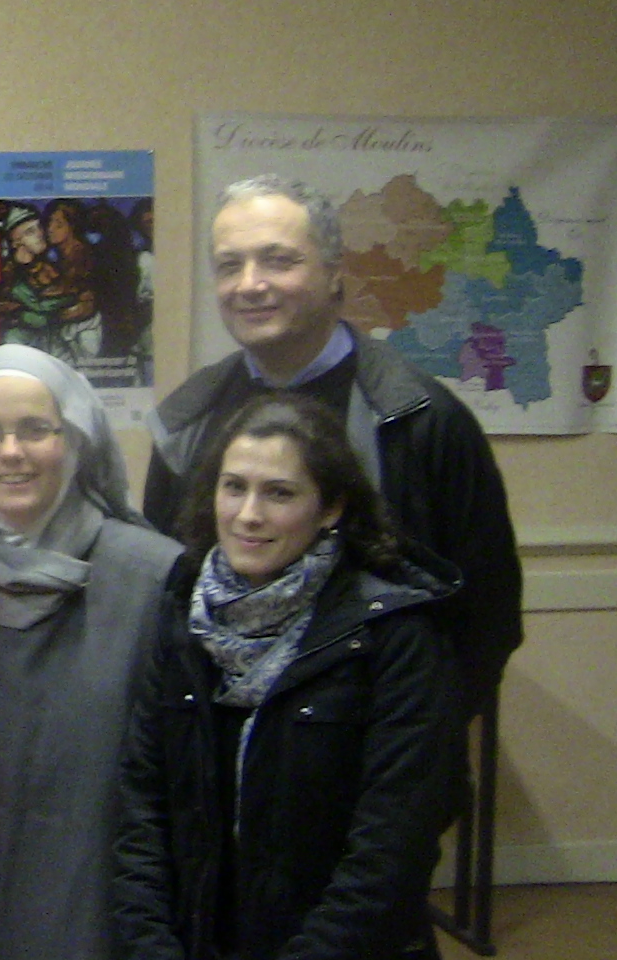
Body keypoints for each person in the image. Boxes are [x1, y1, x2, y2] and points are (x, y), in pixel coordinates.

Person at [143, 174, 519, 715]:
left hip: (376, 755)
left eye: (278, 260)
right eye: (230, 265)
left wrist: (414, 741)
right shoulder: (187, 422)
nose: (250, 284)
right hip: (220, 752)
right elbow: (168, 603)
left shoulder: (420, 419)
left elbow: (486, 614)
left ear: (335, 273)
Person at [113, 393, 464, 960]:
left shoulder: (395, 633)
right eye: (234, 487)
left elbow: (392, 845)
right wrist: (151, 947)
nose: (249, 514)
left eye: (279, 492)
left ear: (330, 508)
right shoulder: (183, 613)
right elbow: (141, 806)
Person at [0, 344, 182, 960]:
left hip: (106, 901)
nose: (9, 453)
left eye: (35, 430)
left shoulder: (154, 574)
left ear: (75, 440)